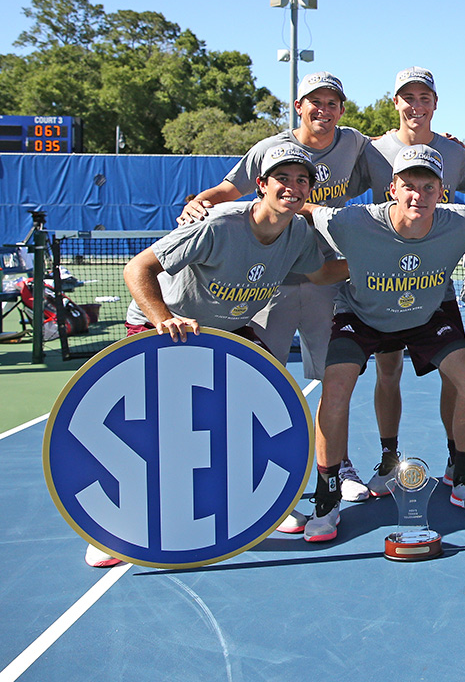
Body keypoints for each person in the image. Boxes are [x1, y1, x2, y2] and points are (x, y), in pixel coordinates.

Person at [86, 145, 346, 566]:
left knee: (264, 403)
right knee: (157, 427)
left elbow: (320, 274)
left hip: (225, 329)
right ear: (261, 185)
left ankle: (255, 503)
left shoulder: (298, 233)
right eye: (283, 178)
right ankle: (117, 526)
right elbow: (137, 269)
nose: (293, 188)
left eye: (303, 181)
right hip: (165, 323)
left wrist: (377, 259)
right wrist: (162, 318)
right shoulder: (219, 224)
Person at [179, 72, 376, 521]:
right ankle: (260, 477)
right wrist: (198, 200)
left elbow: (396, 151)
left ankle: (338, 466)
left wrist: (440, 139)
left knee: (333, 380)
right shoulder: (268, 149)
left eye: (331, 103)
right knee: (260, 383)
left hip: (327, 280)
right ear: (298, 106)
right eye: (314, 103)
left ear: (341, 109)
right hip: (272, 284)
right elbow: (229, 190)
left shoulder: (355, 145)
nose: (322, 111)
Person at [303, 146, 465, 542]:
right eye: (409, 185)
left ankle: (462, 477)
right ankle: (326, 495)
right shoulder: (353, 222)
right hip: (361, 316)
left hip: (424, 318)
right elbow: (308, 209)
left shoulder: (459, 223)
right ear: (392, 188)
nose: (418, 196)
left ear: (442, 192)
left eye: (428, 187)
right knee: (335, 387)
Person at [357, 67, 465, 498]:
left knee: (455, 376)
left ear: (435, 104)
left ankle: (457, 464)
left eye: (425, 98)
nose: (416, 106)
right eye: (408, 98)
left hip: (435, 286)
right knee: (388, 370)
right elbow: (339, 198)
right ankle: (388, 458)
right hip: (384, 284)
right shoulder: (372, 150)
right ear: (395, 103)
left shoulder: (455, 154)